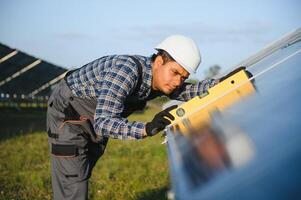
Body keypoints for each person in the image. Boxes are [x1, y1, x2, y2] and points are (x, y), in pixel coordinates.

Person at [46, 35, 219, 199]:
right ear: (159, 61)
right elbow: (104, 122)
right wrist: (146, 128)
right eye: (174, 73)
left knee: (81, 172)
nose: (177, 82)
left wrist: (224, 83)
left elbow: (189, 91)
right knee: (73, 182)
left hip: (93, 117)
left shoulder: (159, 79)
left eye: (183, 77)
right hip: (68, 114)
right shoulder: (126, 71)